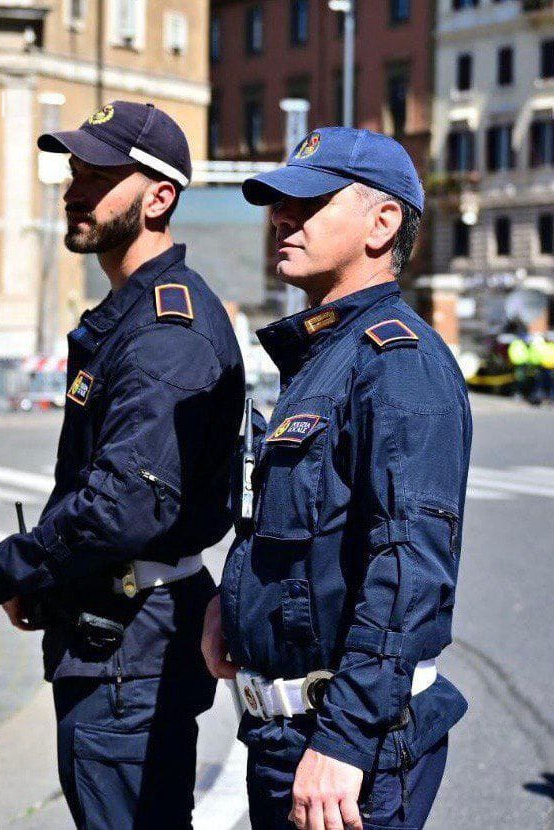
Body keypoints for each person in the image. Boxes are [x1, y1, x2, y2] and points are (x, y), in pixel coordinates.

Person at [0, 101, 244, 830]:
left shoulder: (164, 330)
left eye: (101, 176)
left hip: (132, 640)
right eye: (75, 172)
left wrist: (17, 564)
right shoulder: (136, 315)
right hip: (118, 631)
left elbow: (126, 505)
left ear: (160, 197)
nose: (76, 189)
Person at [201, 127, 472, 830]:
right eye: (279, 204)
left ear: (382, 223)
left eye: (311, 203)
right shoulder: (327, 355)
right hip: (284, 737)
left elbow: (409, 567)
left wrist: (344, 741)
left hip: (348, 751)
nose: (283, 218)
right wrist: (234, 603)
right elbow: (301, 528)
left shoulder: (396, 361)